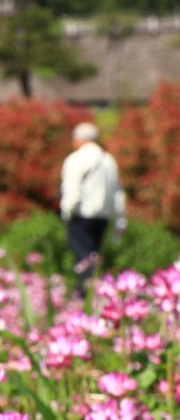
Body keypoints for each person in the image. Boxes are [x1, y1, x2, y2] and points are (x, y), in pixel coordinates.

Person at [60, 122, 126, 299]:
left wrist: (67, 212)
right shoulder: (108, 160)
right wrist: (120, 218)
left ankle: (86, 297)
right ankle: (97, 294)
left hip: (81, 216)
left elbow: (72, 191)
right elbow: (117, 191)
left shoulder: (76, 159)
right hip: (103, 217)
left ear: (80, 139)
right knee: (94, 256)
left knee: (84, 259)